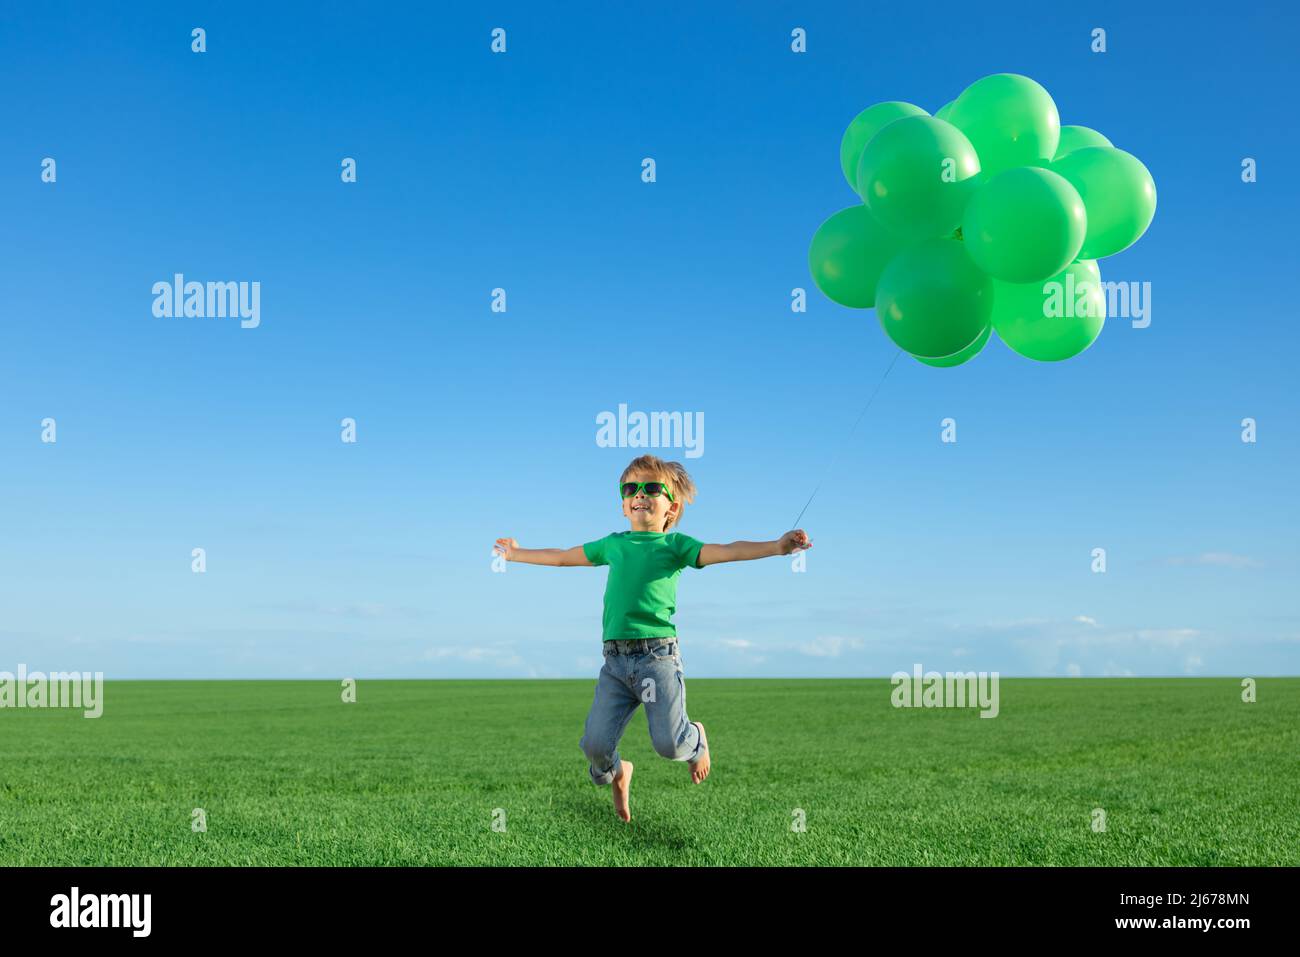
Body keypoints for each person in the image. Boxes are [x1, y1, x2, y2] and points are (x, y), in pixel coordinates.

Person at [493, 453, 812, 822]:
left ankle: (694, 738)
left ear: (671, 507)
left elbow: (727, 550)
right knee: (595, 748)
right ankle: (618, 772)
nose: (639, 494)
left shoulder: (675, 546)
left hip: (656, 658)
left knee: (669, 746)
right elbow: (563, 557)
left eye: (651, 488)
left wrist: (776, 546)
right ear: (623, 502)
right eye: (631, 488)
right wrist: (515, 554)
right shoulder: (613, 544)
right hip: (614, 662)